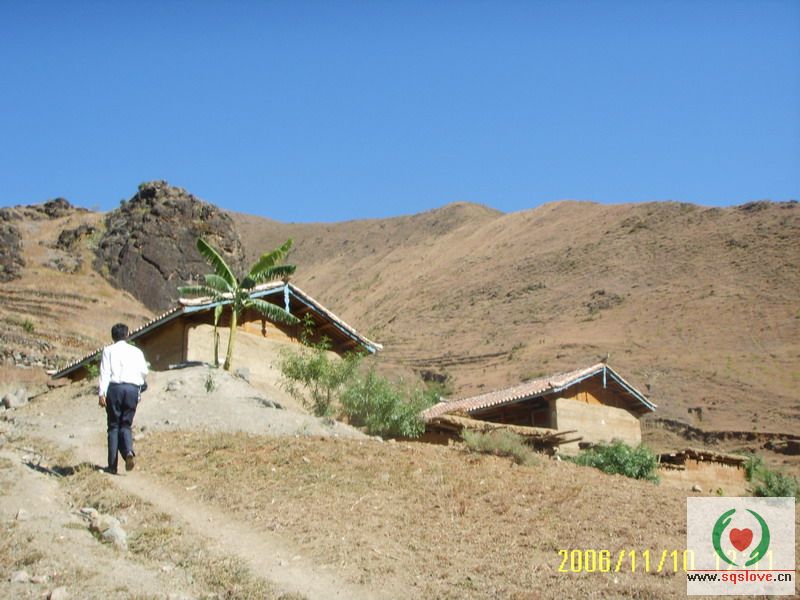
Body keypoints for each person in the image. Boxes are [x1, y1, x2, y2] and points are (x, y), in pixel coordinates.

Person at [98, 323, 148, 474]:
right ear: (127, 335)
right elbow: (144, 372)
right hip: (132, 389)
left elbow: (105, 373)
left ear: (112, 336)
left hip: (115, 389)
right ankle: (128, 452)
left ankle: (112, 466)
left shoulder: (108, 350)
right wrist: (137, 388)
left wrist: (102, 393)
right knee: (126, 425)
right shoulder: (137, 352)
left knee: (113, 426)